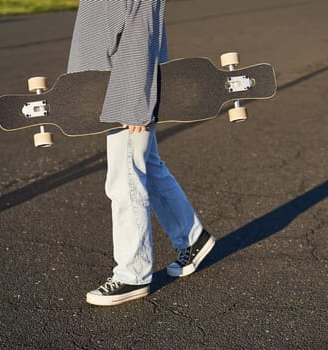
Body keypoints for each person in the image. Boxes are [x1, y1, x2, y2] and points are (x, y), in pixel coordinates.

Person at [66, 0, 216, 306]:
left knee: (125, 179)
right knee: (147, 164)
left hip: (126, 92)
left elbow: (142, 32)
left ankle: (133, 275)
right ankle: (192, 237)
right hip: (107, 87)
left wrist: (134, 101)